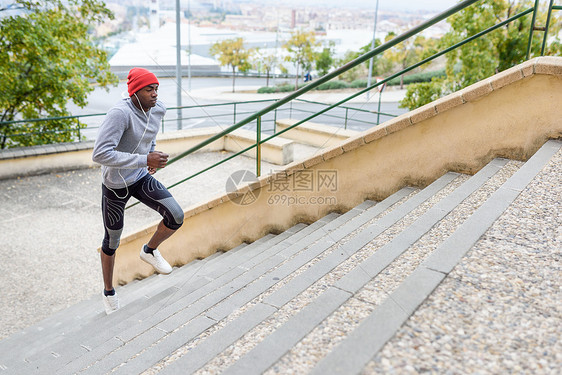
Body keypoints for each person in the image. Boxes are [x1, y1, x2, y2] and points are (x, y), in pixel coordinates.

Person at [92, 67, 184, 315]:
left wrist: (151, 157)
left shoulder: (158, 108)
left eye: (156, 89)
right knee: (112, 240)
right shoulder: (119, 114)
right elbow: (100, 154)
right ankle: (109, 292)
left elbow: (149, 135)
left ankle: (149, 251)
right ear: (134, 92)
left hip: (140, 176)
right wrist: (145, 159)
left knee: (175, 215)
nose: (155, 94)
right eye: (149, 89)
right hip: (115, 184)